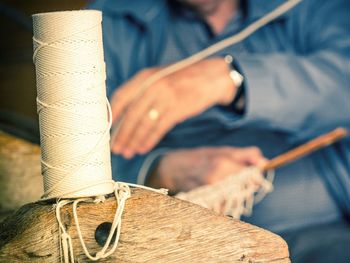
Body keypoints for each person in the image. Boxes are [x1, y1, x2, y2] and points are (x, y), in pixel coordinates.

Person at [89, 0, 350, 261]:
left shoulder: (310, 6)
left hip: (323, 227)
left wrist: (229, 78)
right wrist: (161, 171)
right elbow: (74, 161)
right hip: (178, 243)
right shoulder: (103, 23)